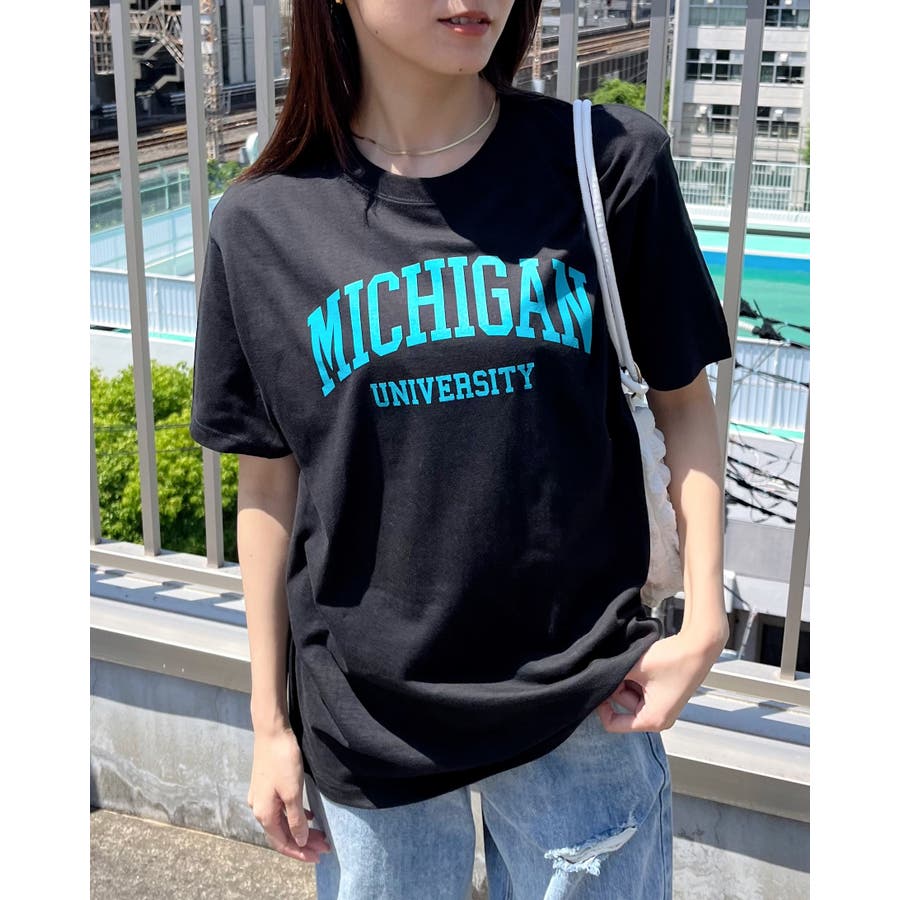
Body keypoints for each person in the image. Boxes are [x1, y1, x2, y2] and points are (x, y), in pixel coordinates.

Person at [189, 1, 733, 897]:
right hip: (369, 722)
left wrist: (704, 617)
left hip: (584, 701)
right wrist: (268, 725)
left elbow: (683, 398)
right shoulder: (261, 221)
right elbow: (270, 485)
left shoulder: (602, 159)